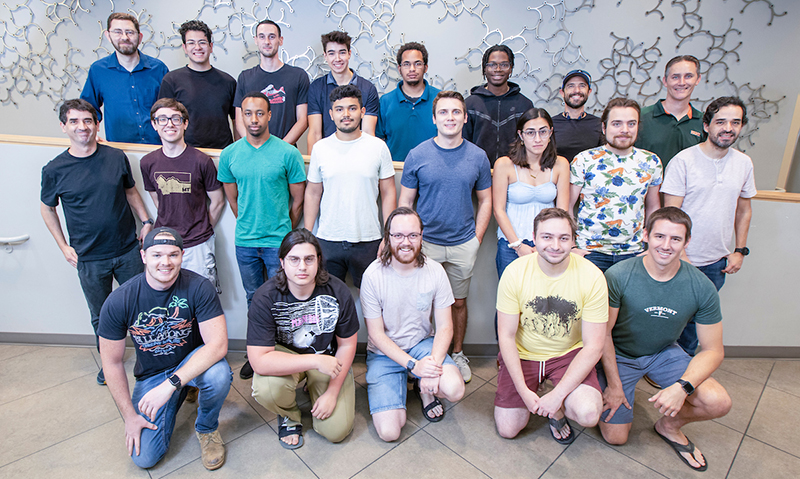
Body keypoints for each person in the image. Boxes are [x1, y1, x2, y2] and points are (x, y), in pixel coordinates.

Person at [598, 207, 732, 472]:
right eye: (659, 236)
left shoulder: (701, 286)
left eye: (676, 239)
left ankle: (668, 426)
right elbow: (602, 334)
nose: (666, 245)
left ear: (687, 242)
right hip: (620, 354)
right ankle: (621, 388)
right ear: (646, 235)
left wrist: (682, 387)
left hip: (663, 353)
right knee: (616, 437)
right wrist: (614, 385)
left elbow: (713, 350)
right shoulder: (618, 275)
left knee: (718, 401)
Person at [98, 227, 232, 471]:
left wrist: (170, 385)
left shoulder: (199, 287)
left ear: (182, 255)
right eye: (157, 255)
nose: (165, 262)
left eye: (173, 255)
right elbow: (112, 363)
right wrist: (130, 417)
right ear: (144, 256)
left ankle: (207, 428)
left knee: (220, 374)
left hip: (191, 362)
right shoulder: (119, 301)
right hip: (152, 374)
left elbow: (218, 345)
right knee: (145, 458)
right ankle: (184, 390)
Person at [41, 99, 153, 386]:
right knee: (101, 315)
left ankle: (148, 358)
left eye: (88, 121)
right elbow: (47, 208)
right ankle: (108, 362)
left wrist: (146, 222)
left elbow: (131, 192)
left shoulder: (116, 157)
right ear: (64, 127)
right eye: (75, 121)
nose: (82, 127)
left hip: (128, 249)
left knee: (141, 307)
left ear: (96, 124)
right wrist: (63, 246)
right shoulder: (54, 169)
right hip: (89, 257)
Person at [399, 90, 492, 383]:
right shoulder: (418, 155)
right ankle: (424, 356)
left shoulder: (478, 157)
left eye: (456, 112)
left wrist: (476, 239)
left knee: (458, 304)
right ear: (434, 118)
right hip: (425, 245)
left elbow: (486, 201)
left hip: (464, 243)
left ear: (465, 118)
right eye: (443, 112)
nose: (450, 118)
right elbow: (405, 204)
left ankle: (458, 352)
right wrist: (407, 241)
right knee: (422, 304)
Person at [494, 208, 607, 445]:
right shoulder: (514, 272)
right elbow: (505, 336)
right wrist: (524, 391)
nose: (555, 245)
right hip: (524, 353)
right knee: (508, 429)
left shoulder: (592, 276)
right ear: (533, 239)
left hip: (567, 354)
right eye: (547, 237)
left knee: (588, 413)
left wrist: (558, 396)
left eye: (563, 238)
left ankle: (557, 406)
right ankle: (540, 394)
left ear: (573, 241)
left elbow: (594, 346)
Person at [217, 91, 307, 379]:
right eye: (248, 113)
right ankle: (257, 356)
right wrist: (248, 224)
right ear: (241, 116)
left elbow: (298, 201)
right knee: (253, 300)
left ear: (269, 116)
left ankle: (283, 356)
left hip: (278, 245)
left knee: (282, 301)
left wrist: (283, 232)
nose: (254, 119)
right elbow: (233, 201)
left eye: (260, 113)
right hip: (245, 243)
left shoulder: (287, 153)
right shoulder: (230, 155)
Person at [248, 228, 359, 449]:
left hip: (327, 358)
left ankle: (317, 385)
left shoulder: (337, 291)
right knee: (267, 388)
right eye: (294, 259)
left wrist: (332, 392)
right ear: (282, 262)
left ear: (318, 261)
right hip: (291, 357)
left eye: (309, 259)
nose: (302, 267)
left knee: (337, 431)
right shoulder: (265, 296)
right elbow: (259, 361)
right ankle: (289, 414)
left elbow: (347, 345)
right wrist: (314, 362)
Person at [361, 208, 466, 441]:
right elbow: (377, 335)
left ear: (421, 236)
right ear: (387, 238)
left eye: (412, 235)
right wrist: (414, 366)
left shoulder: (435, 271)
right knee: (389, 432)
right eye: (398, 236)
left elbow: (445, 327)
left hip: (422, 345)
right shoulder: (373, 275)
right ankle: (409, 378)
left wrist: (431, 367)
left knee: (454, 389)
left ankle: (423, 388)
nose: (405, 242)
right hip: (383, 353)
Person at [662, 96, 756, 355]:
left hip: (718, 261)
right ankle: (663, 365)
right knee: (672, 316)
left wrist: (740, 250)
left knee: (698, 320)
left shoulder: (743, 163)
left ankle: (685, 366)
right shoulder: (684, 161)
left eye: (735, 122)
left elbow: (744, 210)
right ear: (706, 125)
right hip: (681, 258)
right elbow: (671, 215)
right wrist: (680, 255)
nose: (728, 128)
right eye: (721, 122)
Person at [304, 85, 396, 288]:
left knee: (374, 303)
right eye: (339, 109)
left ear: (362, 112)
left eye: (352, 108)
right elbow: (312, 193)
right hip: (328, 240)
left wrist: (389, 236)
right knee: (328, 301)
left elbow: (388, 193)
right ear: (331, 114)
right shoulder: (320, 148)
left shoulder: (378, 147)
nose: (346, 114)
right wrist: (308, 236)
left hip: (369, 240)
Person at [140, 98, 226, 291]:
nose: (169, 124)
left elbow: (218, 201)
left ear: (185, 123)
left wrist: (201, 229)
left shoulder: (201, 161)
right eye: (162, 119)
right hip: (164, 244)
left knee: (202, 297)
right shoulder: (148, 162)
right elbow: (157, 200)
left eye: (175, 119)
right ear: (154, 124)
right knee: (168, 298)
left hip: (198, 245)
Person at [569, 98, 662, 272]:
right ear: (604, 128)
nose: (624, 130)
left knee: (629, 300)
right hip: (590, 252)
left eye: (631, 124)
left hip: (633, 252)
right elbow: (566, 205)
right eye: (617, 124)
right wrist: (573, 246)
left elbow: (653, 207)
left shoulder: (651, 161)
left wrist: (651, 246)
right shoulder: (583, 160)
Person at [493, 108, 570, 278]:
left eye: (543, 132)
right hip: (511, 243)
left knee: (545, 297)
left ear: (550, 133)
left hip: (549, 243)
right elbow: (498, 210)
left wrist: (547, 242)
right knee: (511, 299)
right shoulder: (505, 164)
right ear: (521, 135)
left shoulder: (560, 164)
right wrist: (518, 245)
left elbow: (562, 211)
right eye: (530, 132)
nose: (537, 139)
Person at [80, 12, 168, 144]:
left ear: (140, 37)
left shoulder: (158, 69)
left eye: (130, 32)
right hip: (118, 149)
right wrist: (90, 135)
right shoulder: (98, 70)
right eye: (117, 32)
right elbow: (87, 109)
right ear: (108, 36)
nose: (124, 37)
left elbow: (173, 109)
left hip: (159, 147)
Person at [158, 20, 237, 149]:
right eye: (191, 43)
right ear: (184, 48)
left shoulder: (228, 82)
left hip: (222, 152)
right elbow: (163, 120)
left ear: (211, 46)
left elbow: (236, 121)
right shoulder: (171, 80)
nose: (197, 47)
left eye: (202, 42)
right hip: (185, 153)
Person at [233, 20, 309, 145]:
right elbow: (239, 120)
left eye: (272, 37)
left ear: (280, 40)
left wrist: (280, 148)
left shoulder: (298, 76)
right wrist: (254, 145)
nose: (267, 41)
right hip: (254, 151)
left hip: (285, 151)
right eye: (262, 37)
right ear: (256, 40)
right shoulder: (245, 77)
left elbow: (303, 120)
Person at [306, 30, 380, 152]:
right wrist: (312, 167)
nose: (337, 58)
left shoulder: (368, 89)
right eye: (331, 53)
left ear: (349, 54)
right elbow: (315, 133)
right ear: (325, 56)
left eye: (342, 52)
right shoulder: (316, 88)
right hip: (328, 157)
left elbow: (368, 133)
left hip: (359, 156)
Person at [464, 44, 534, 167]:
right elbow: (463, 142)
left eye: (504, 64)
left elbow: (530, 143)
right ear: (484, 69)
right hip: (477, 172)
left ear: (511, 69)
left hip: (516, 173)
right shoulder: (470, 104)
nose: (498, 69)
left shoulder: (524, 105)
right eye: (492, 64)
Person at [636, 55, 705, 169]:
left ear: (698, 79)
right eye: (675, 77)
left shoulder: (704, 122)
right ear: (665, 81)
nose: (681, 82)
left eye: (688, 76)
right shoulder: (641, 117)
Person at [376, 41, 440, 162]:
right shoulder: (385, 102)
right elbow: (378, 141)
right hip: (395, 170)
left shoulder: (440, 99)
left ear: (426, 67)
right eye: (406, 64)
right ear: (399, 69)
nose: (412, 69)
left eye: (418, 64)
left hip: (433, 170)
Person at [551, 69, 603, 161]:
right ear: (562, 93)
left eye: (582, 86)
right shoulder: (550, 124)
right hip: (559, 174)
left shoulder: (599, 124)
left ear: (589, 92)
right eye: (571, 86)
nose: (577, 90)